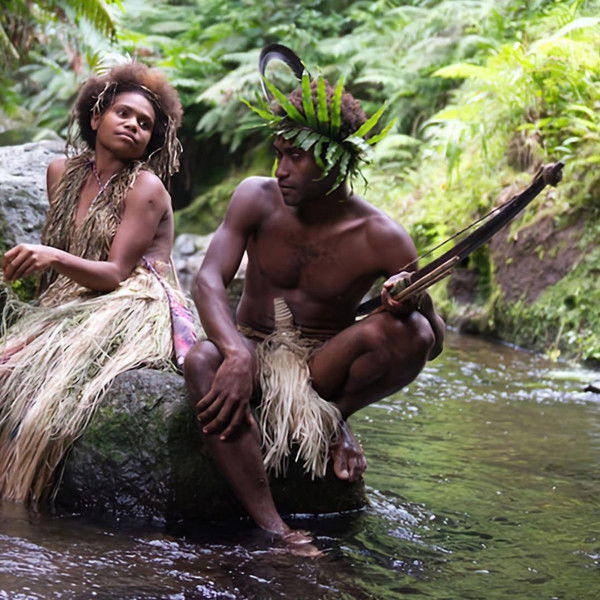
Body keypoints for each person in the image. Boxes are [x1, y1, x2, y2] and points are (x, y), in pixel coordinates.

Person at [184, 73, 445, 551]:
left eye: (295, 156)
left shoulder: (381, 235)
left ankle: (332, 419)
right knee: (202, 359)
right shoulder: (255, 197)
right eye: (278, 153)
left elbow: (434, 341)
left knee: (412, 331)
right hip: (254, 346)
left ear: (334, 160)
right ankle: (274, 526)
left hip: (322, 367)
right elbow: (208, 280)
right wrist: (235, 353)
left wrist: (414, 296)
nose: (280, 169)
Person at [0, 62, 194, 504]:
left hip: (131, 299)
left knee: (36, 377)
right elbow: (68, 251)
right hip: (77, 294)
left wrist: (51, 257)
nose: (133, 125)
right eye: (123, 113)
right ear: (95, 118)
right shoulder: (61, 173)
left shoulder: (146, 187)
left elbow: (116, 273)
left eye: (144, 123)